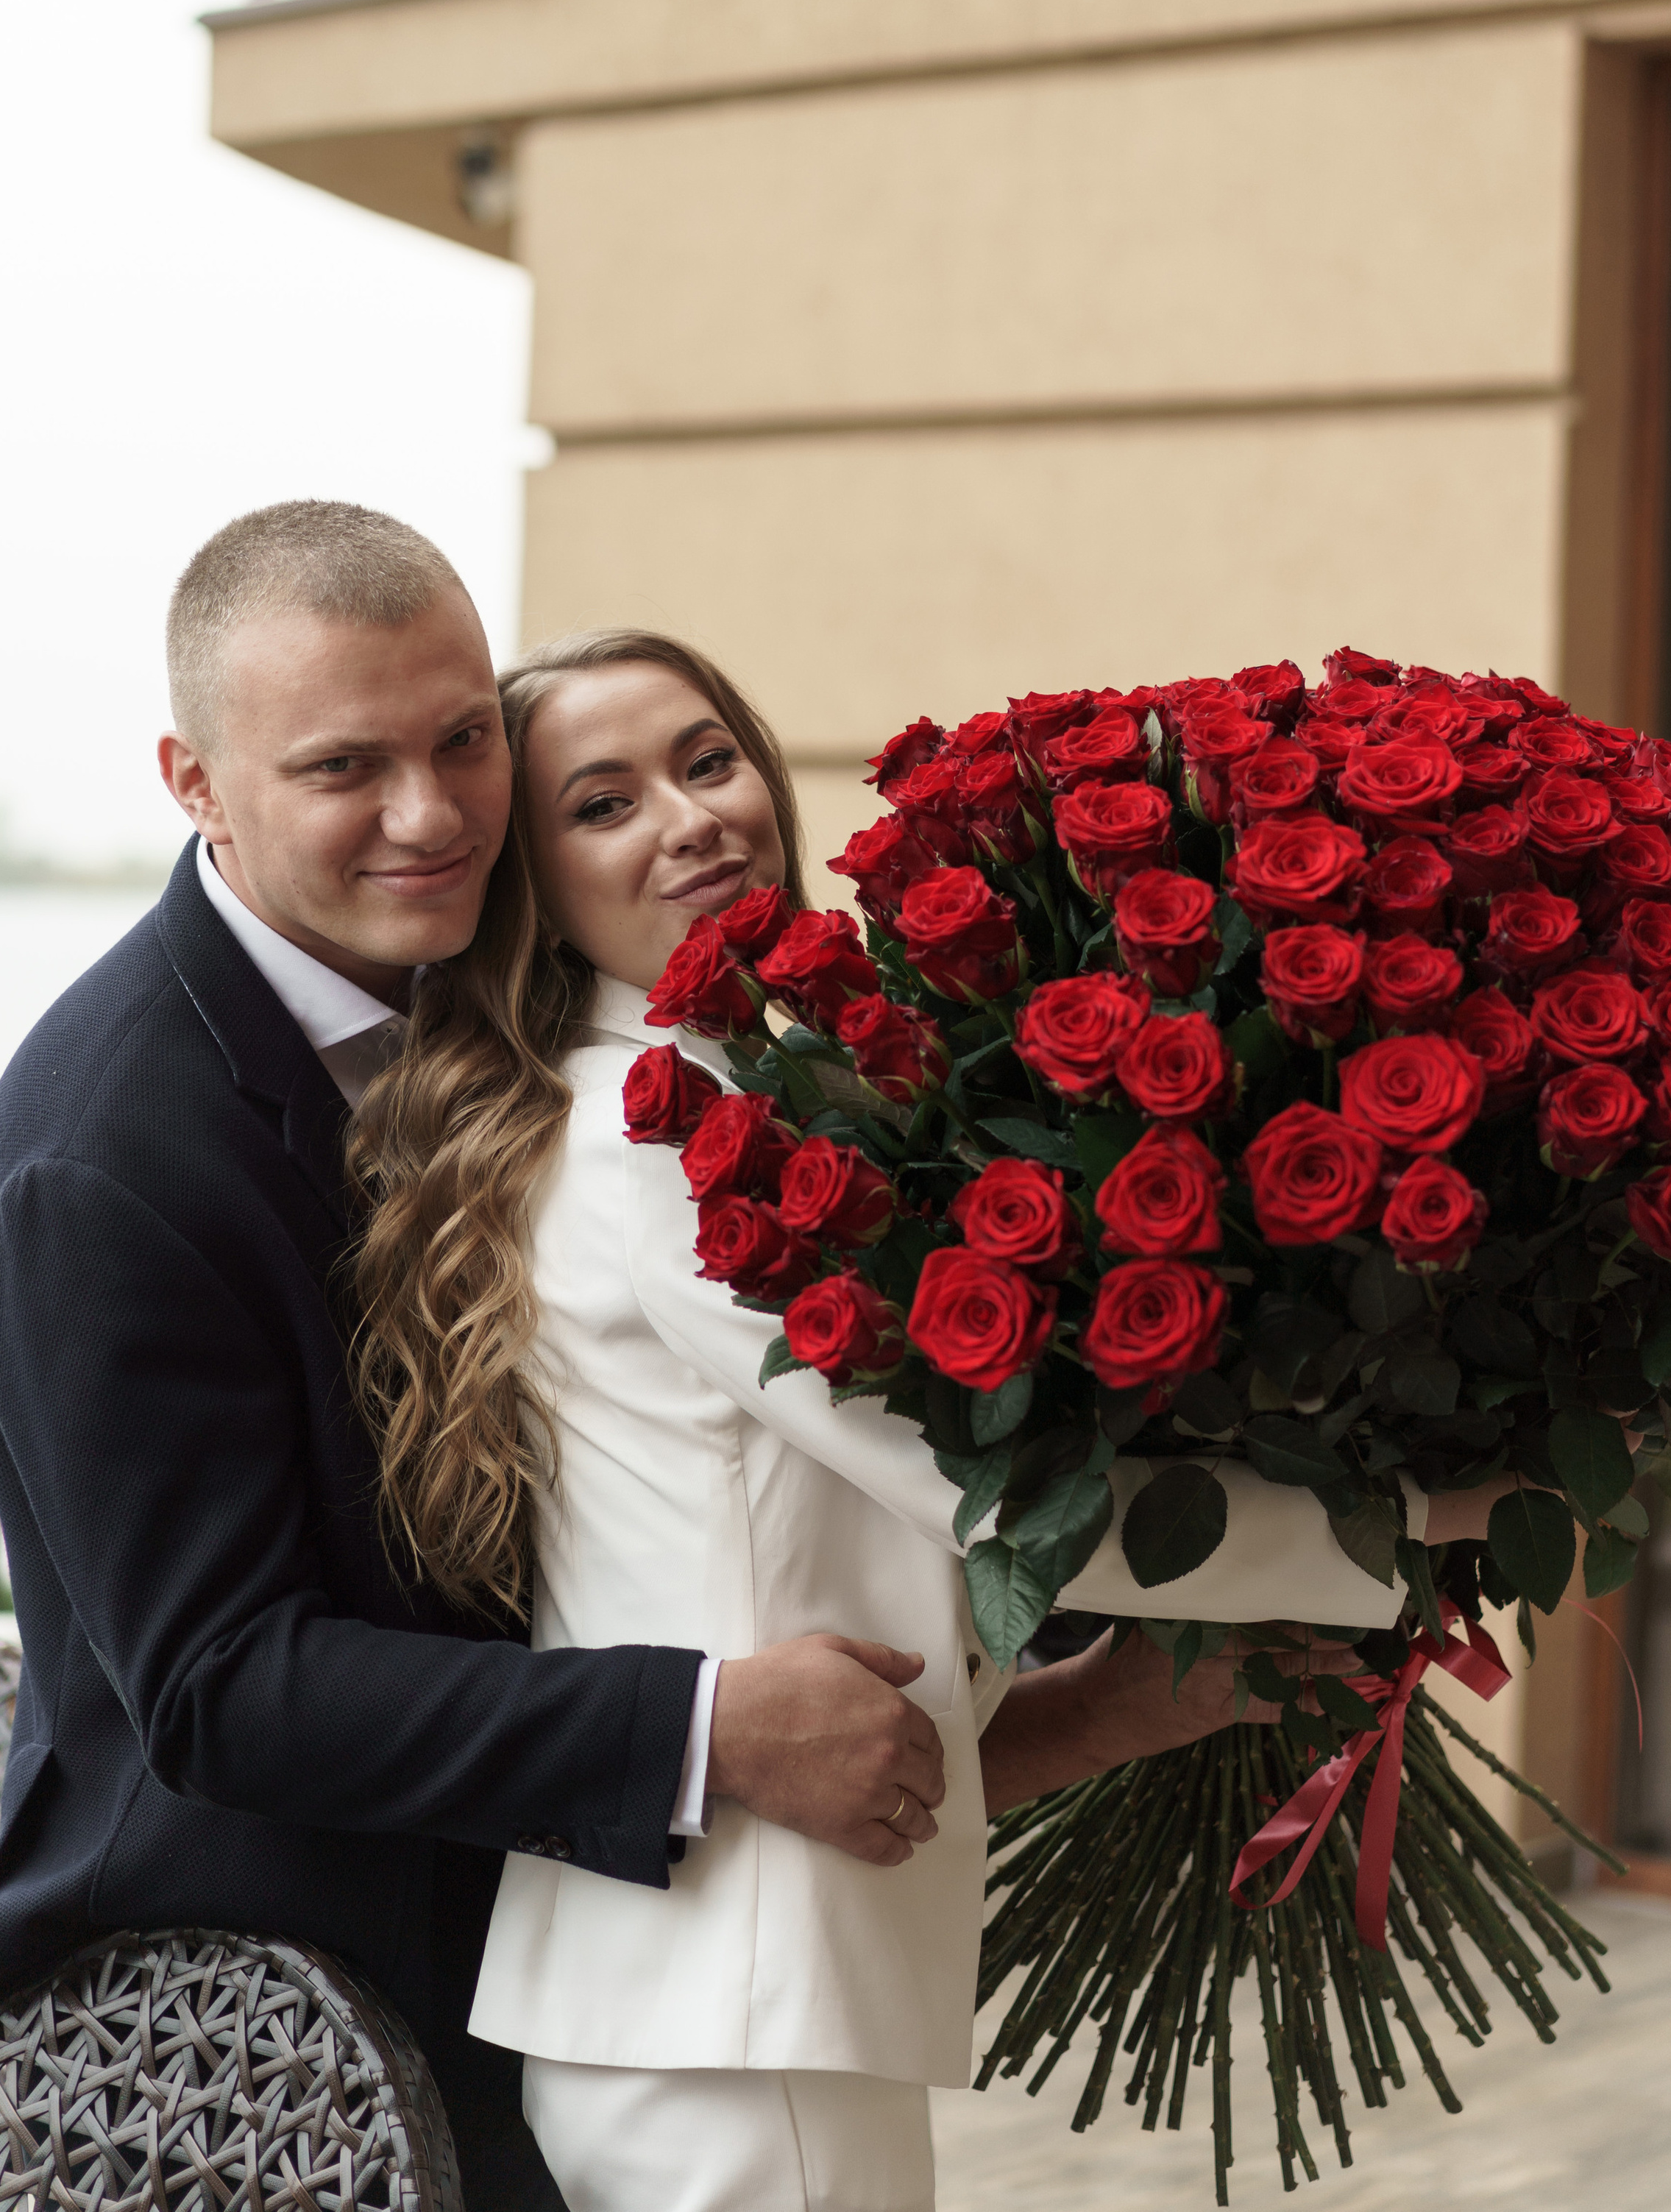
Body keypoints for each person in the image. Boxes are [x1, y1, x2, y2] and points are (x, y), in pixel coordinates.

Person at [350, 628, 1508, 2212]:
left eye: (706, 760)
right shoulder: (664, 1162)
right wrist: (1419, 1531)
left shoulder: (730, 1102)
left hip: (712, 1990)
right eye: (604, 804)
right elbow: (1001, 1495)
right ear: (531, 886)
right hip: (738, 2007)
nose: (691, 819)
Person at [0, 506, 951, 2212]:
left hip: (560, 1939)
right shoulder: (101, 1156)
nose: (429, 817)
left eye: (461, 743)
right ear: (193, 781)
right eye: (346, 767)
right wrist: (714, 1725)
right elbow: (219, 1685)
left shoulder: (503, 1008)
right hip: (263, 2034)